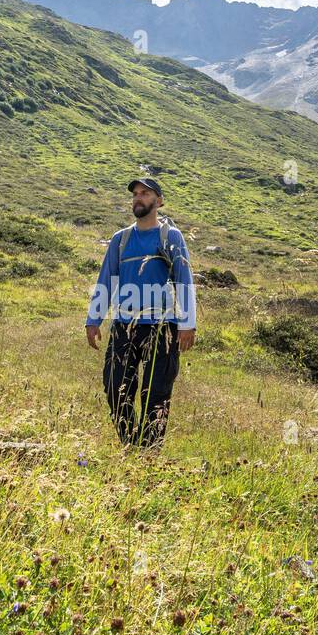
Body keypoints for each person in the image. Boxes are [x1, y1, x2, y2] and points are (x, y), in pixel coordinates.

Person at [86, 178, 196, 448]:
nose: (138, 198)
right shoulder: (120, 239)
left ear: (158, 201)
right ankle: (131, 444)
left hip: (162, 327)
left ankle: (150, 453)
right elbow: (106, 280)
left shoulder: (171, 236)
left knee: (156, 393)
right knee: (115, 388)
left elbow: (184, 280)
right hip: (124, 326)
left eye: (145, 193)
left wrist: (187, 323)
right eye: (135, 194)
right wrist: (94, 319)